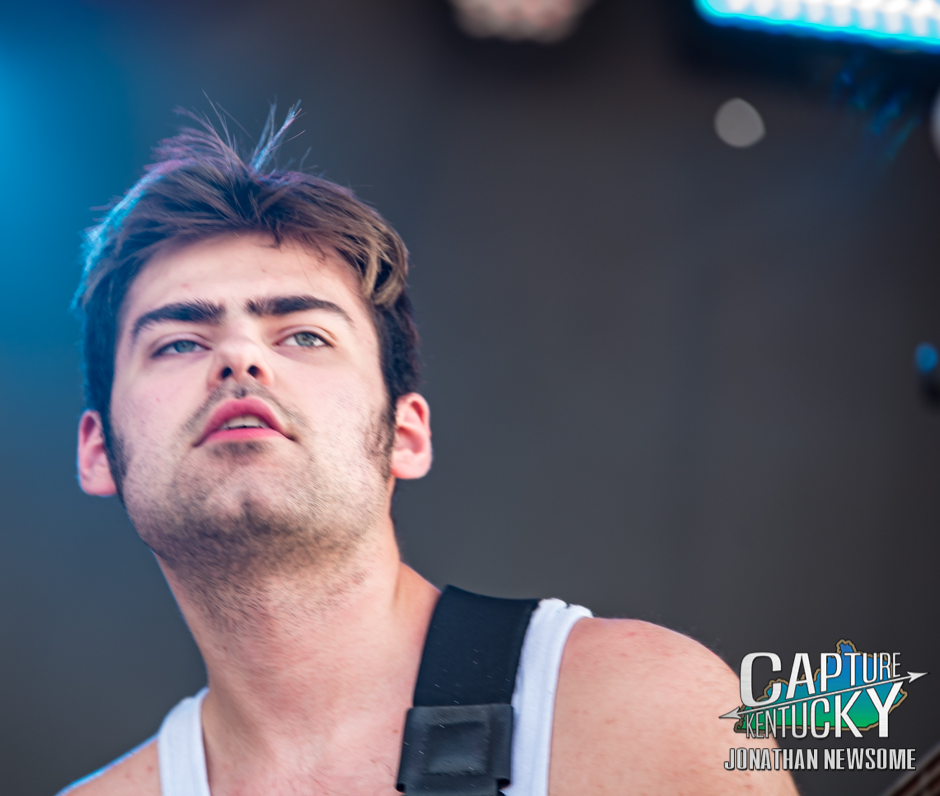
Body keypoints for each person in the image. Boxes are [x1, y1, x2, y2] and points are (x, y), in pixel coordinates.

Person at [61, 108, 796, 796]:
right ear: (97, 451)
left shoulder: (645, 709)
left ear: (405, 435)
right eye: (178, 342)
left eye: (306, 335)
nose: (241, 359)